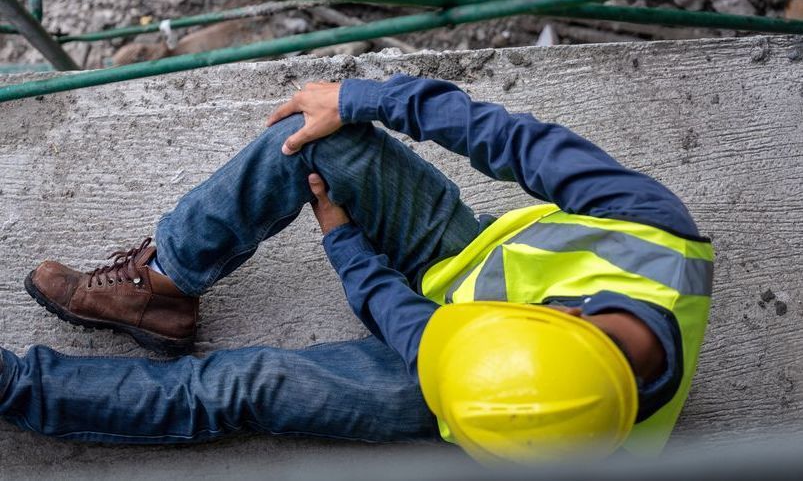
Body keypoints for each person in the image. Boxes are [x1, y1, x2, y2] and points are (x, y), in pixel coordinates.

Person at [0, 75, 713, 463]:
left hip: (448, 382)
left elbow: (416, 335)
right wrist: (363, 98)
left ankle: (18, 388)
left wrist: (348, 252)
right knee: (310, 137)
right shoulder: (650, 231)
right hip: (456, 262)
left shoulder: (519, 421)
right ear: (572, 314)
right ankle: (160, 289)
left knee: (247, 386)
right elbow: (513, 140)